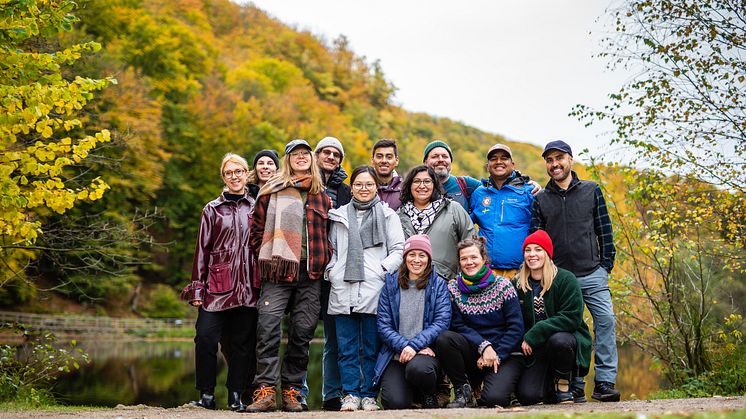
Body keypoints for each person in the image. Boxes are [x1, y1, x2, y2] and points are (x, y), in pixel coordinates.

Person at [531, 140, 620, 402]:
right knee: (570, 328)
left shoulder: (591, 190)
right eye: (549, 160)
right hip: (558, 277)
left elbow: (604, 231)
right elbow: (538, 240)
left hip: (592, 272)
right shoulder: (540, 200)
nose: (554, 164)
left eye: (559, 158)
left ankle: (604, 382)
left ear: (570, 159)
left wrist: (605, 266)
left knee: (605, 321)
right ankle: (575, 383)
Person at [247, 139, 332, 412]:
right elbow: (256, 231)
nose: (301, 158)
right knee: (268, 328)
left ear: (312, 159)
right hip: (278, 272)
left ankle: (293, 391)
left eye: (305, 154)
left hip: (311, 273)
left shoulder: (322, 195)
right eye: (295, 154)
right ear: (287, 159)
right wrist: (272, 254)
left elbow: (329, 234)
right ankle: (265, 391)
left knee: (303, 332)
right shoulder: (270, 191)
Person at [180, 153, 259, 412]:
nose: (234, 176)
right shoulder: (211, 209)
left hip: (248, 285)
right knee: (204, 338)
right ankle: (206, 395)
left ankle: (236, 395)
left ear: (247, 174)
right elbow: (202, 250)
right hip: (217, 286)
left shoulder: (258, 205)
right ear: (223, 177)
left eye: (239, 171)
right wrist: (197, 288)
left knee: (242, 345)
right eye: (229, 172)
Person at [326, 165, 405, 412]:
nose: (363, 188)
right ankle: (350, 394)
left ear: (375, 187)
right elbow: (333, 250)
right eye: (358, 184)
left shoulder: (388, 215)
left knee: (371, 348)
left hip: (375, 289)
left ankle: (369, 395)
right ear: (352, 187)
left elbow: (399, 250)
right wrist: (332, 271)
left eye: (369, 184)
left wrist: (381, 271)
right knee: (346, 348)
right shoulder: (338, 216)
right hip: (343, 287)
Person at [434, 238, 524, 408]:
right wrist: (484, 346)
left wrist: (496, 354)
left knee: (494, 400)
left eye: (474, 257)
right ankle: (464, 391)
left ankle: (503, 388)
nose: (469, 262)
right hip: (474, 351)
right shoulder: (453, 289)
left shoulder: (503, 286)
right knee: (445, 338)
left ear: (484, 258)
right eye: (464, 258)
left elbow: (516, 327)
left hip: (504, 353)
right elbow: (457, 325)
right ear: (459, 262)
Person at [513, 230, 592, 405]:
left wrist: (535, 333)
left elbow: (572, 317)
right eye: (528, 250)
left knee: (559, 340)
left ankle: (564, 384)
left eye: (538, 250)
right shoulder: (517, 284)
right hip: (535, 350)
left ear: (547, 254)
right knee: (528, 396)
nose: (532, 254)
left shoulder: (565, 279)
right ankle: (549, 386)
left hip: (565, 342)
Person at [374, 235, 451, 410]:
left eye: (422, 255)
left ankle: (429, 394)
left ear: (429, 259)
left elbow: (442, 322)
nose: (416, 260)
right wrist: (405, 346)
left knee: (419, 370)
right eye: (412, 254)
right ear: (405, 257)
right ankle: (413, 394)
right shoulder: (391, 284)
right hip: (396, 354)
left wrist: (415, 346)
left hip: (426, 354)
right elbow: (383, 325)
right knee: (394, 403)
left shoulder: (438, 284)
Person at [313, 136, 351, 411]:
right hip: (306, 268)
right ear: (316, 155)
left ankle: (332, 395)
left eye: (335, 153)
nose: (330, 156)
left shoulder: (347, 191)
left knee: (334, 337)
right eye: (325, 152)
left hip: (334, 270)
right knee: (299, 335)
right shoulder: (304, 183)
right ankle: (296, 394)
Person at [397, 165, 475, 279]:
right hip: (408, 282)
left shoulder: (452, 209)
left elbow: (470, 242)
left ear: (435, 185)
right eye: (417, 181)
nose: (422, 186)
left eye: (427, 181)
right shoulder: (399, 215)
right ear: (409, 186)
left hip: (446, 281)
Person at [470, 144, 535, 279]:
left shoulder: (529, 191)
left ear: (512, 164)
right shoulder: (479, 193)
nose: (499, 162)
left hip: (520, 271)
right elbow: (466, 225)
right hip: (486, 271)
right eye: (494, 159)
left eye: (504, 158)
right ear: (488, 166)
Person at [422, 140, 481, 212]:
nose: (441, 159)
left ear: (450, 161)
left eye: (445, 156)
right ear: (425, 162)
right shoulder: (417, 188)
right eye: (435, 156)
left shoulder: (466, 184)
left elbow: (494, 192)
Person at [371, 138, 403, 210]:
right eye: (379, 156)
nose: (384, 161)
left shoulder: (405, 189)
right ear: (372, 160)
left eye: (389, 157)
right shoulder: (362, 187)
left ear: (396, 161)